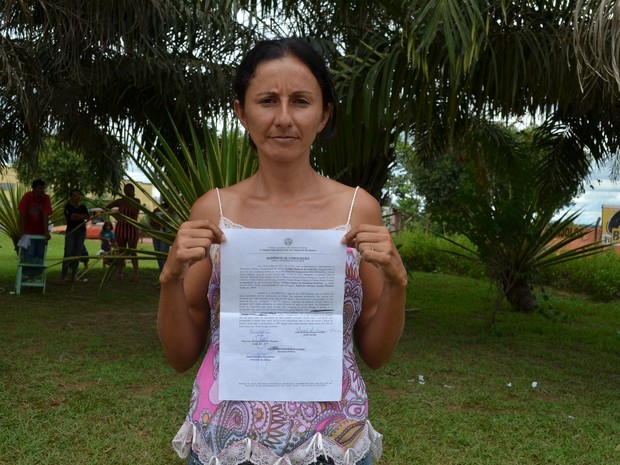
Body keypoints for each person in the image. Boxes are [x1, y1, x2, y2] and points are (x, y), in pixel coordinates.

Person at [158, 38, 407, 465]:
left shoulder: (357, 209)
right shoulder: (215, 210)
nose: (284, 118)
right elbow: (181, 356)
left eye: (302, 101)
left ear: (323, 114)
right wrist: (170, 279)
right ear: (241, 112)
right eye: (268, 100)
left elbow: (376, 355)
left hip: (331, 443)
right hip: (227, 444)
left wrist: (398, 284)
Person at [18, 179, 53, 277]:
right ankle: (28, 276)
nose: (42, 190)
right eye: (40, 188)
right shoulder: (27, 197)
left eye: (43, 188)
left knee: (39, 255)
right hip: (29, 232)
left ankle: (36, 276)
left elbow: (46, 215)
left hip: (40, 233)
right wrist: (23, 230)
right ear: (34, 188)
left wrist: (46, 232)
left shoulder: (46, 198)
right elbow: (22, 213)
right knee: (29, 254)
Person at [105, 183, 140, 281]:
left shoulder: (136, 201)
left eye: (130, 189)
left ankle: (135, 274)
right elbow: (107, 207)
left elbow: (135, 212)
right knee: (121, 252)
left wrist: (131, 201)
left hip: (132, 229)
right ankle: (119, 273)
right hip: (121, 228)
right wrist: (115, 216)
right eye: (126, 189)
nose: (128, 191)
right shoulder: (120, 201)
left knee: (133, 252)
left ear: (133, 191)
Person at [61, 189, 90, 283]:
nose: (77, 197)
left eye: (78, 195)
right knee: (68, 253)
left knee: (77, 253)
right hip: (71, 231)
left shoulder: (83, 207)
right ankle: (64, 276)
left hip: (81, 231)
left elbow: (87, 216)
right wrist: (80, 216)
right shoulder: (68, 206)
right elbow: (71, 217)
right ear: (71, 197)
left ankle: (74, 276)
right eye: (74, 195)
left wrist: (77, 216)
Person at [150, 201, 172, 273]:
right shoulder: (157, 209)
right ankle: (161, 273)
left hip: (165, 234)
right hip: (156, 233)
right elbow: (151, 220)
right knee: (158, 253)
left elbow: (167, 218)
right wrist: (158, 221)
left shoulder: (172, 209)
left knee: (163, 253)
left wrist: (156, 220)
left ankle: (165, 274)